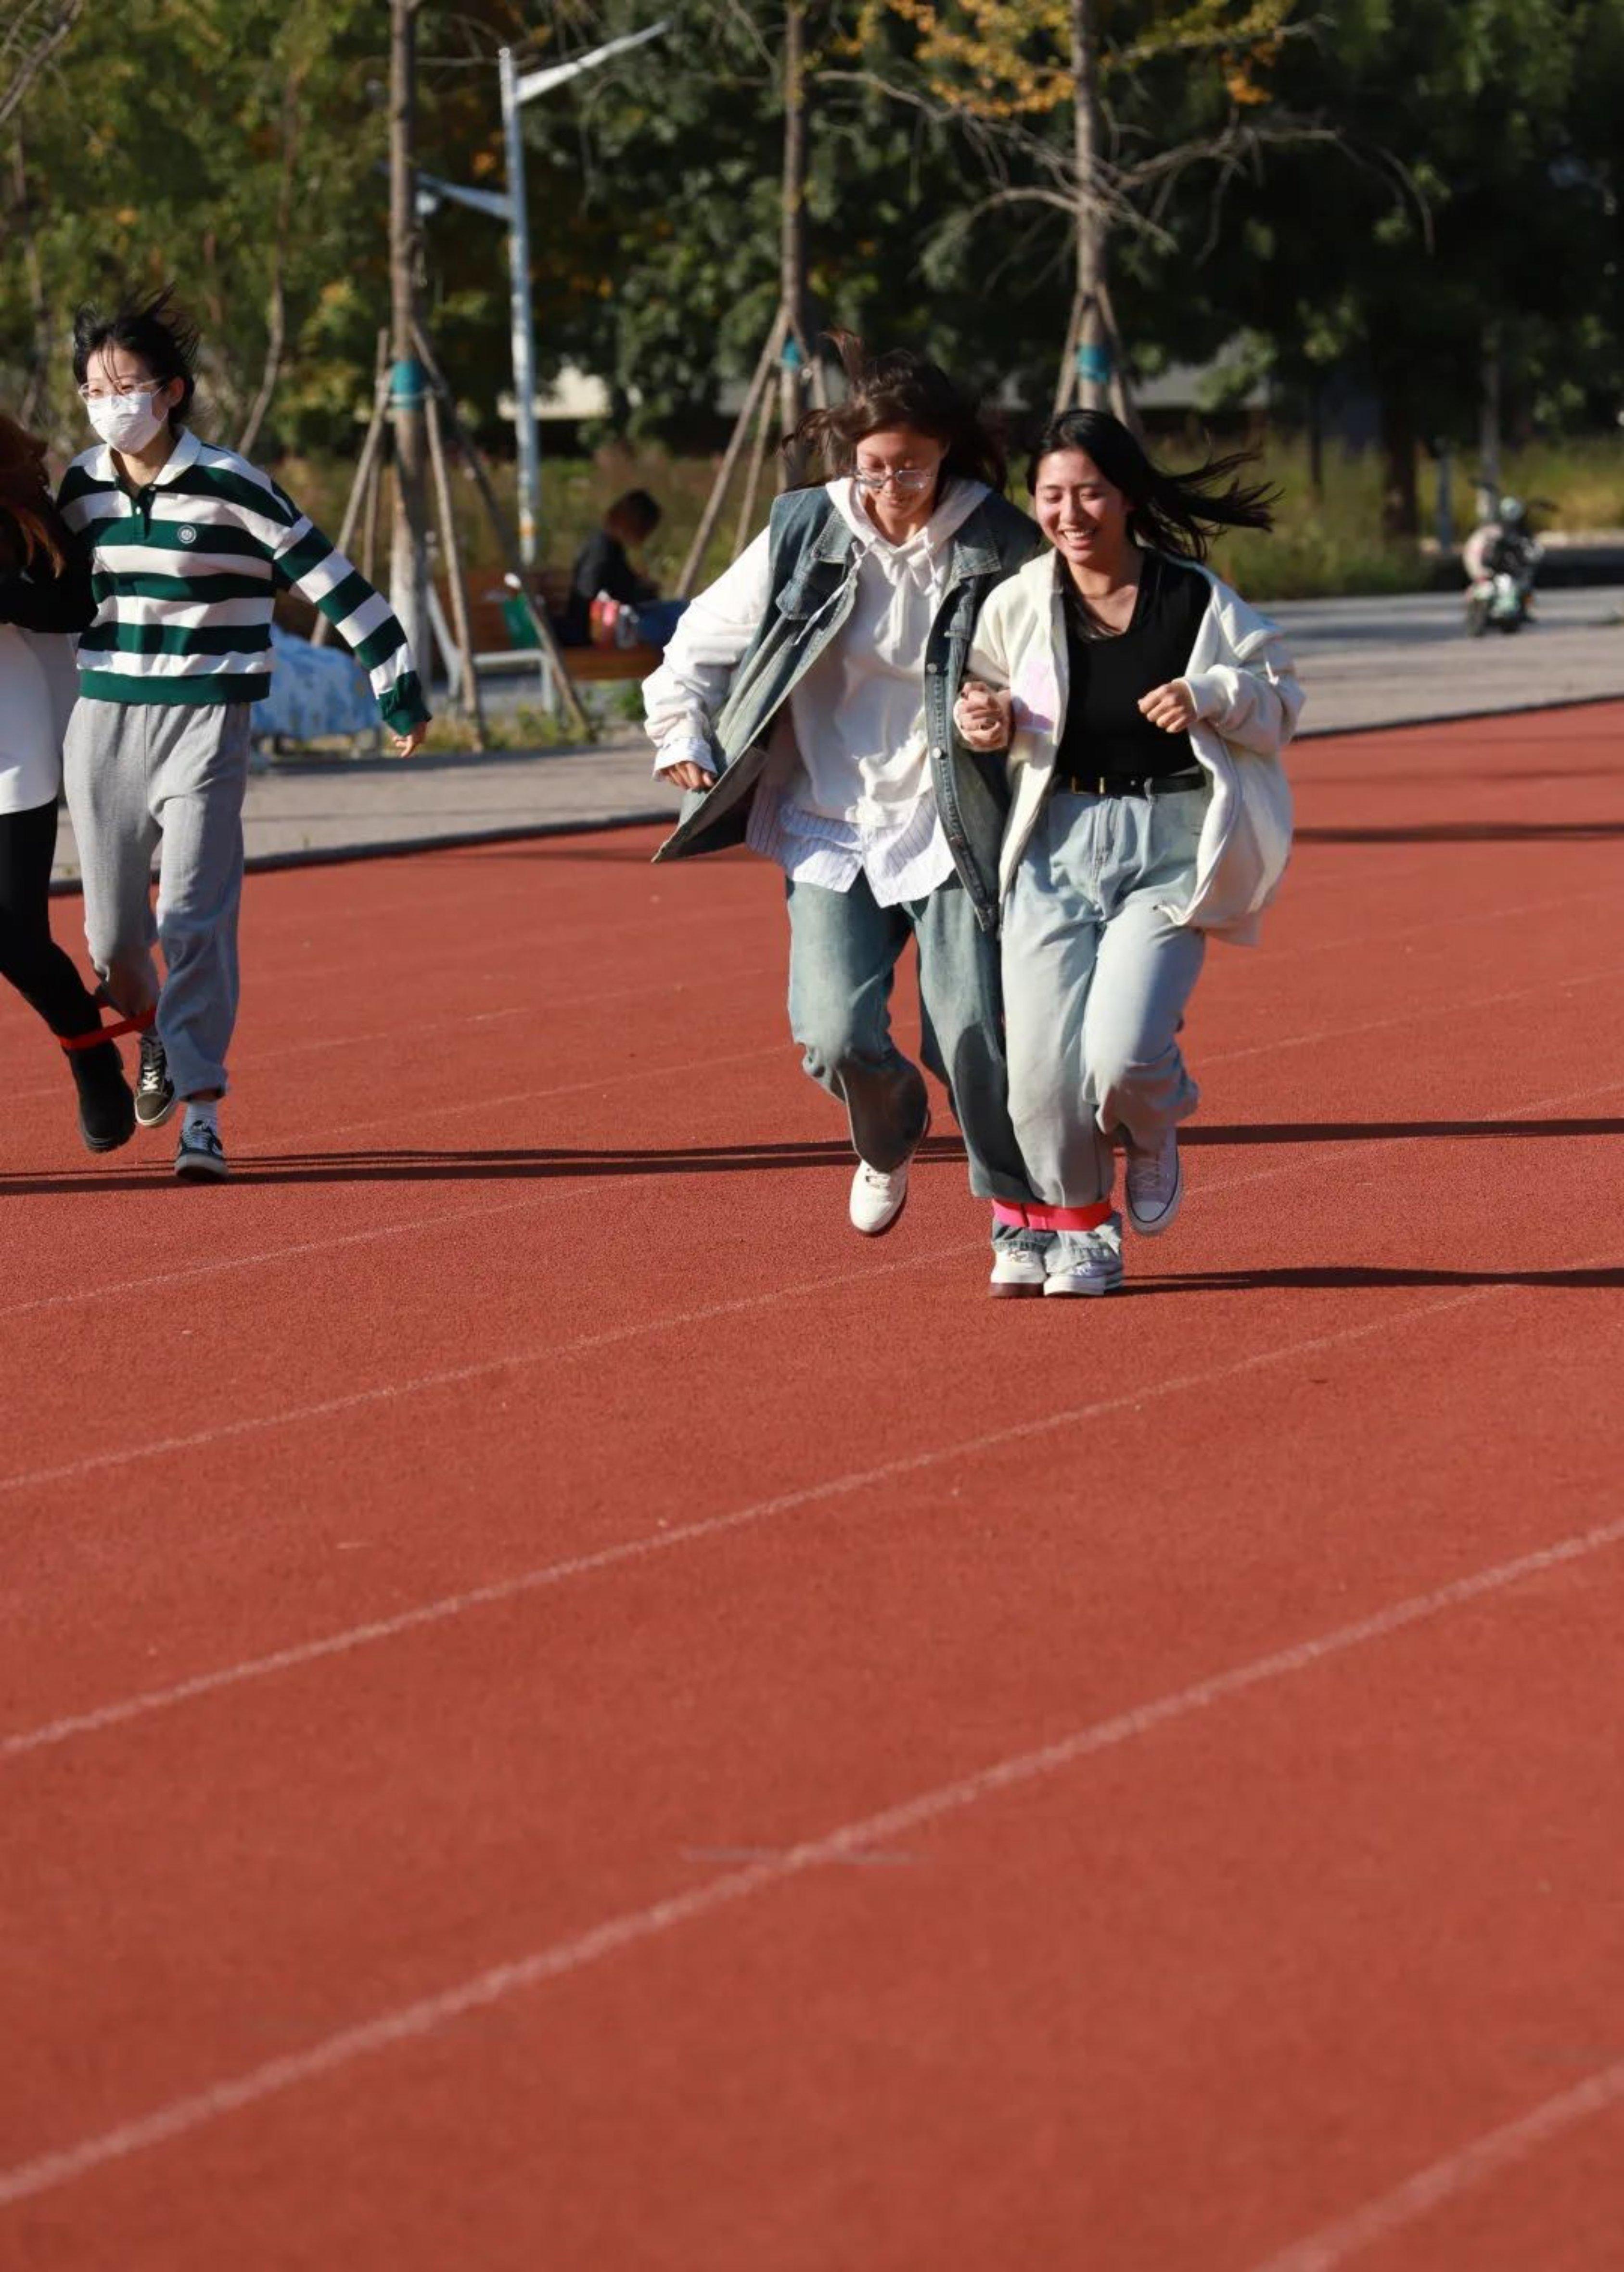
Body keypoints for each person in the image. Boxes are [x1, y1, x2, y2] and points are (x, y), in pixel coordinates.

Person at [644, 334, 1052, 1296]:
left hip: (952, 816)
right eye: (873, 467)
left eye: (910, 468)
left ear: (945, 454)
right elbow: (697, 642)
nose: (890, 488)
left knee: (972, 1034)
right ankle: (888, 1126)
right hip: (829, 811)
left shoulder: (1000, 541)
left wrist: (1008, 713)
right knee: (831, 1035)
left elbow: (1050, 670)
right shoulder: (805, 528)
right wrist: (682, 731)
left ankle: (1020, 1213)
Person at [56, 287, 430, 1182]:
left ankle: (202, 1112)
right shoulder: (80, 486)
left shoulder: (232, 482)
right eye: (95, 390)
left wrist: (395, 681)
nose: (112, 404)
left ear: (172, 391)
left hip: (206, 721)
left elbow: (331, 577)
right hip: (101, 724)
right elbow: (47, 593)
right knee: (112, 941)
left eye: (127, 385)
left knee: (193, 915)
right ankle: (152, 1033)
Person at [954, 409, 1303, 1296]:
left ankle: (1150, 1125)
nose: (1070, 513)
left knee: (1121, 1056)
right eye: (1052, 496)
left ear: (1129, 497)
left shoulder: (1192, 598)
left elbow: (1279, 704)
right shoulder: (1019, 601)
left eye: (1091, 493)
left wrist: (1210, 693)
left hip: (1169, 843)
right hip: (1054, 843)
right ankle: (1084, 1232)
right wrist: (983, 719)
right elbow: (982, 699)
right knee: (1038, 1074)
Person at [0, 408, 135, 1150]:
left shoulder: (18, 499)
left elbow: (76, 602)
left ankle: (90, 1054)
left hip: (12, 734)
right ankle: (91, 1051)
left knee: (15, 933)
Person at [560, 488, 684, 650]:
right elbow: (594, 592)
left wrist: (641, 586)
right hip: (596, 630)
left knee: (681, 611)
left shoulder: (608, 545)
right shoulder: (603, 550)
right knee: (680, 616)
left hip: (607, 623)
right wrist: (641, 591)